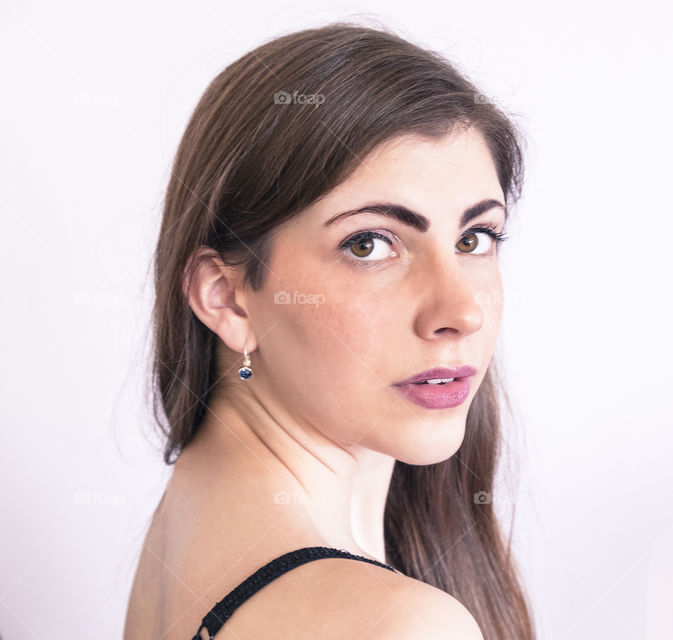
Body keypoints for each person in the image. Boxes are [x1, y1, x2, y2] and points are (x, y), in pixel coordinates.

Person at [122, 21, 535, 640]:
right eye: (369, 244)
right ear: (227, 297)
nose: (461, 311)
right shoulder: (398, 626)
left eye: (475, 239)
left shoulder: (194, 507)